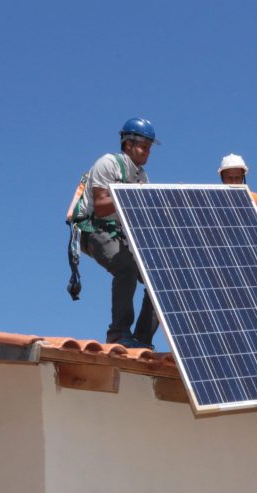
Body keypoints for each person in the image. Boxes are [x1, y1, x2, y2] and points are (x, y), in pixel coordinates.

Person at [80, 118, 160, 349]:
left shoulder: (142, 177)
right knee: (126, 267)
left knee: (159, 277)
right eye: (143, 146)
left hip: (123, 235)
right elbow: (102, 205)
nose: (147, 152)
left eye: (149, 148)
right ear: (128, 144)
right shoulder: (108, 163)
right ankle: (118, 333)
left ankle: (142, 340)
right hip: (96, 229)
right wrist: (128, 195)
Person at [218, 154, 257, 225]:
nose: (233, 182)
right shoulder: (212, 199)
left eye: (237, 178)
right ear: (222, 177)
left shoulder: (256, 199)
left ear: (243, 177)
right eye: (229, 178)